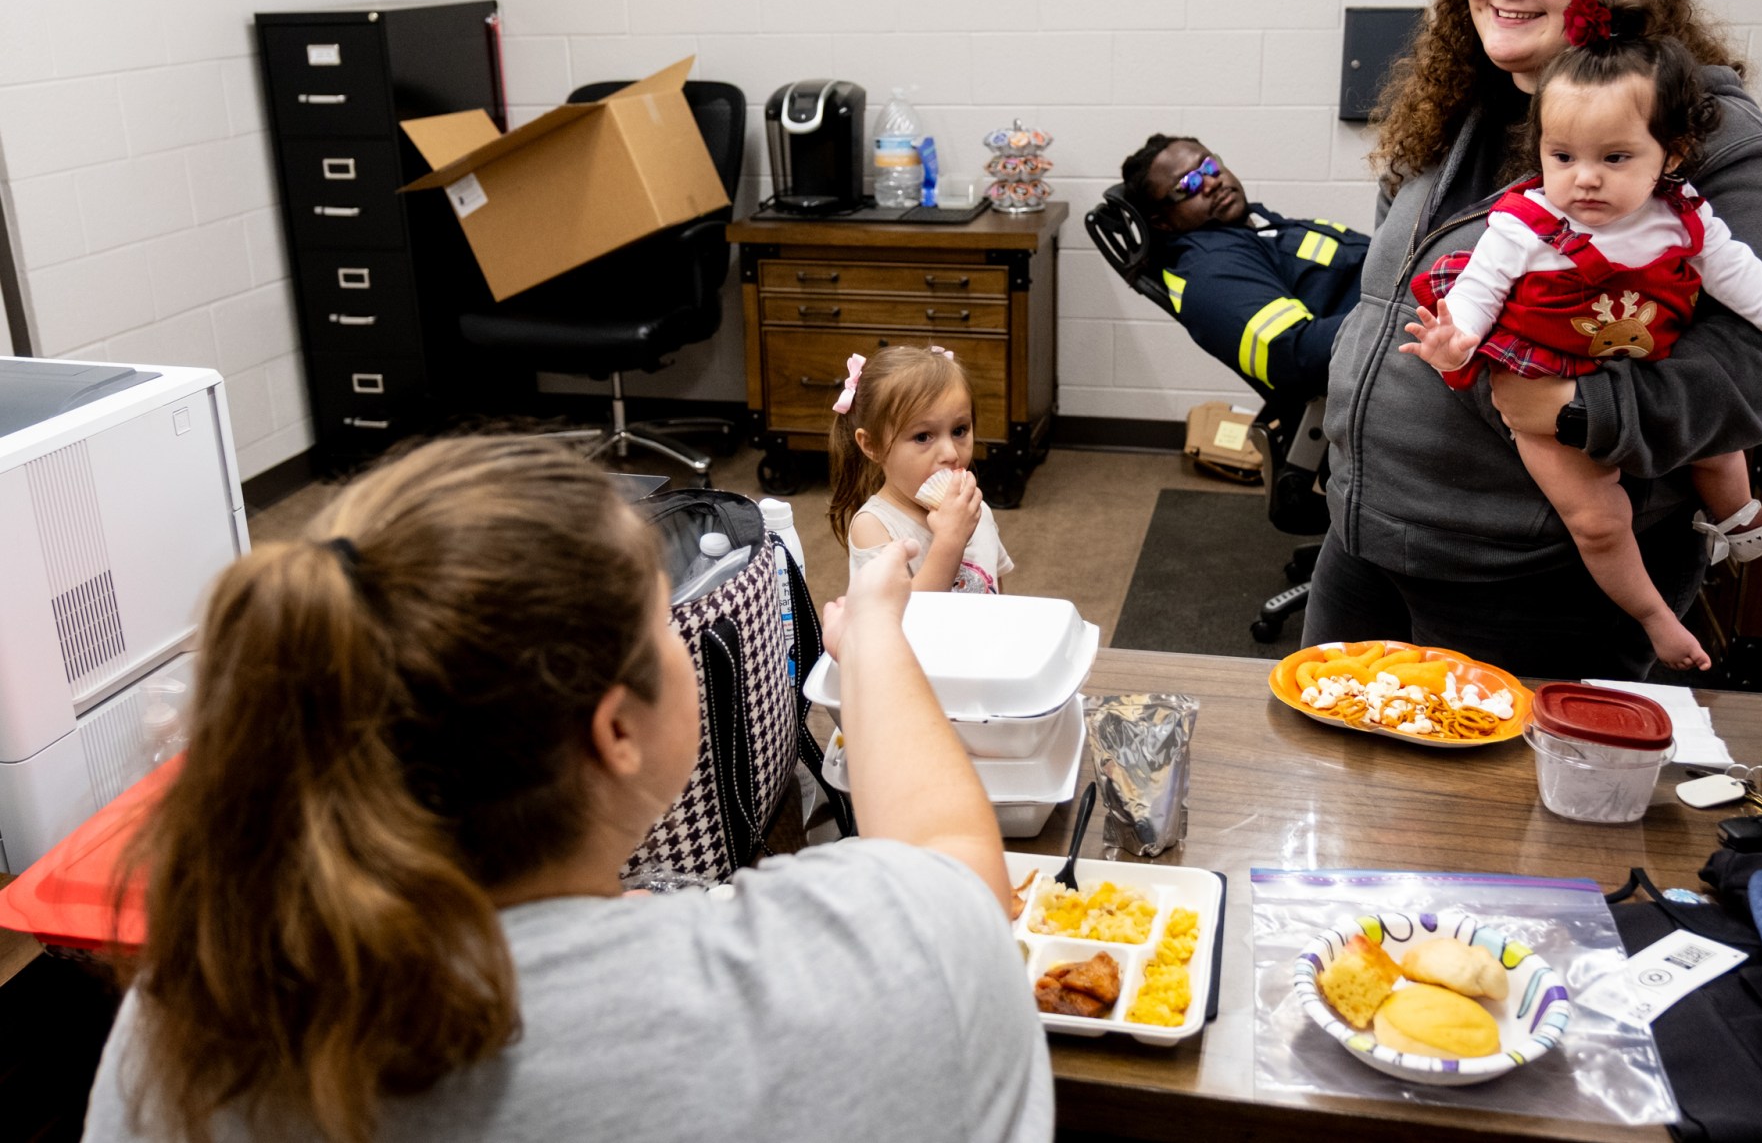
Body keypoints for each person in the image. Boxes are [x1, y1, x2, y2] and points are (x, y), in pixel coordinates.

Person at [82, 436, 1052, 1143]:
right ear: (615, 729)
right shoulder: (874, 968)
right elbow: (957, 880)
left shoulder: (180, 1024)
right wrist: (876, 629)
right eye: (663, 620)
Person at [1305, 0, 1762, 679]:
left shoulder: (1716, 139)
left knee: (1492, 815)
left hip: (1536, 585)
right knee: (1331, 798)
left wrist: (1582, 411)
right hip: (1365, 543)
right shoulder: (1462, 110)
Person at [1402, 0, 1762, 671]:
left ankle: (1740, 521)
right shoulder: (1526, 224)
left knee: (1719, 445)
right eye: (1562, 156)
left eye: (1614, 157)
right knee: (1598, 521)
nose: (1584, 179)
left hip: (1634, 366)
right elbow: (1479, 291)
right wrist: (1454, 341)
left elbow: (1736, 271)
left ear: (1673, 154)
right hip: (1545, 385)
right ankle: (1656, 618)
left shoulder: (1683, 215)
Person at [1118, 135, 1368, 395]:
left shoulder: (1254, 224)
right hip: (1390, 351)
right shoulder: (1211, 269)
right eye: (1188, 185)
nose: (1212, 182)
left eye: (1209, 166)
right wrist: (1393, 315)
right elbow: (1295, 353)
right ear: (1161, 222)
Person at [829, 344, 1013, 594]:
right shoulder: (873, 527)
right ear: (872, 445)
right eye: (923, 437)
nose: (950, 454)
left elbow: (998, 593)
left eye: (959, 431)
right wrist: (950, 539)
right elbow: (902, 619)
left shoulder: (976, 509)